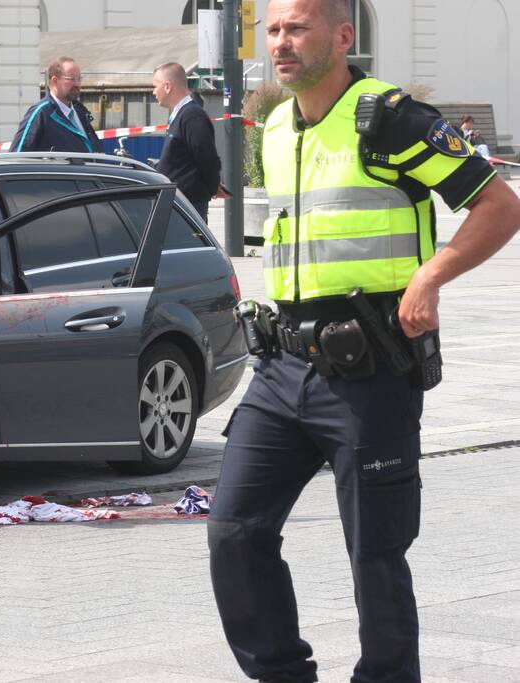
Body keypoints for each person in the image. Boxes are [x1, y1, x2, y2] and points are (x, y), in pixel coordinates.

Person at [206, 1, 520, 681]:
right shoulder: (278, 124)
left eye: (296, 27)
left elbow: (499, 206)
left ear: (342, 36)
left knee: (373, 554)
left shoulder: (390, 119)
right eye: (272, 31)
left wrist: (431, 275)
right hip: (281, 367)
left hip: (368, 370)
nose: (280, 43)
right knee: (233, 529)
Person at [151, 62, 221, 221]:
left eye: (155, 86)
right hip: (178, 202)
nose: (154, 92)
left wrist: (212, 187)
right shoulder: (181, 114)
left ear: (167, 86)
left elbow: (207, 158)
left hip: (189, 205)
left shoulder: (192, 116)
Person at [10, 57, 100, 153]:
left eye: (79, 79)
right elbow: (18, 155)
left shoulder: (81, 112)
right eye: (71, 79)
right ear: (55, 81)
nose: (77, 84)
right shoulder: (41, 113)